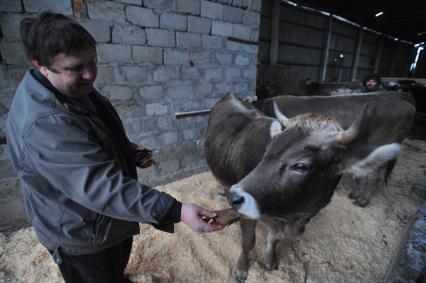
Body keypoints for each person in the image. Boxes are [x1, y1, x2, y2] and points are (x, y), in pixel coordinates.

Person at [5, 12, 223, 283]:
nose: (89, 75)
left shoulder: (71, 90)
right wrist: (176, 211)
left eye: (92, 62)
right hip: (80, 233)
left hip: (102, 222)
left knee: (113, 270)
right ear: (42, 66)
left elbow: (90, 136)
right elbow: (99, 187)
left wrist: (128, 151)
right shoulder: (44, 122)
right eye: (75, 68)